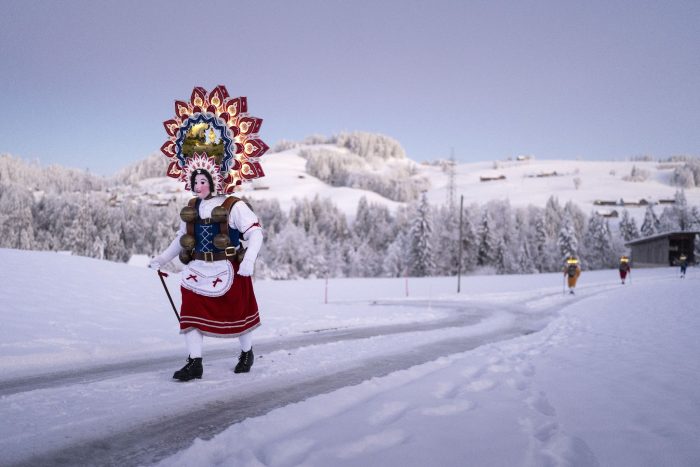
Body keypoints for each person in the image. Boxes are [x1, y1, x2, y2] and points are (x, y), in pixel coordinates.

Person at [150, 155, 263, 381]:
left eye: (203, 181)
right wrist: (162, 259)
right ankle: (195, 362)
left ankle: (247, 353)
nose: (197, 186)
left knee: (238, 315)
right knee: (190, 313)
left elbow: (256, 233)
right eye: (195, 181)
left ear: (214, 181)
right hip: (197, 268)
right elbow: (181, 236)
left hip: (229, 268)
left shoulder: (234, 205)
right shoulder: (192, 206)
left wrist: (249, 260)